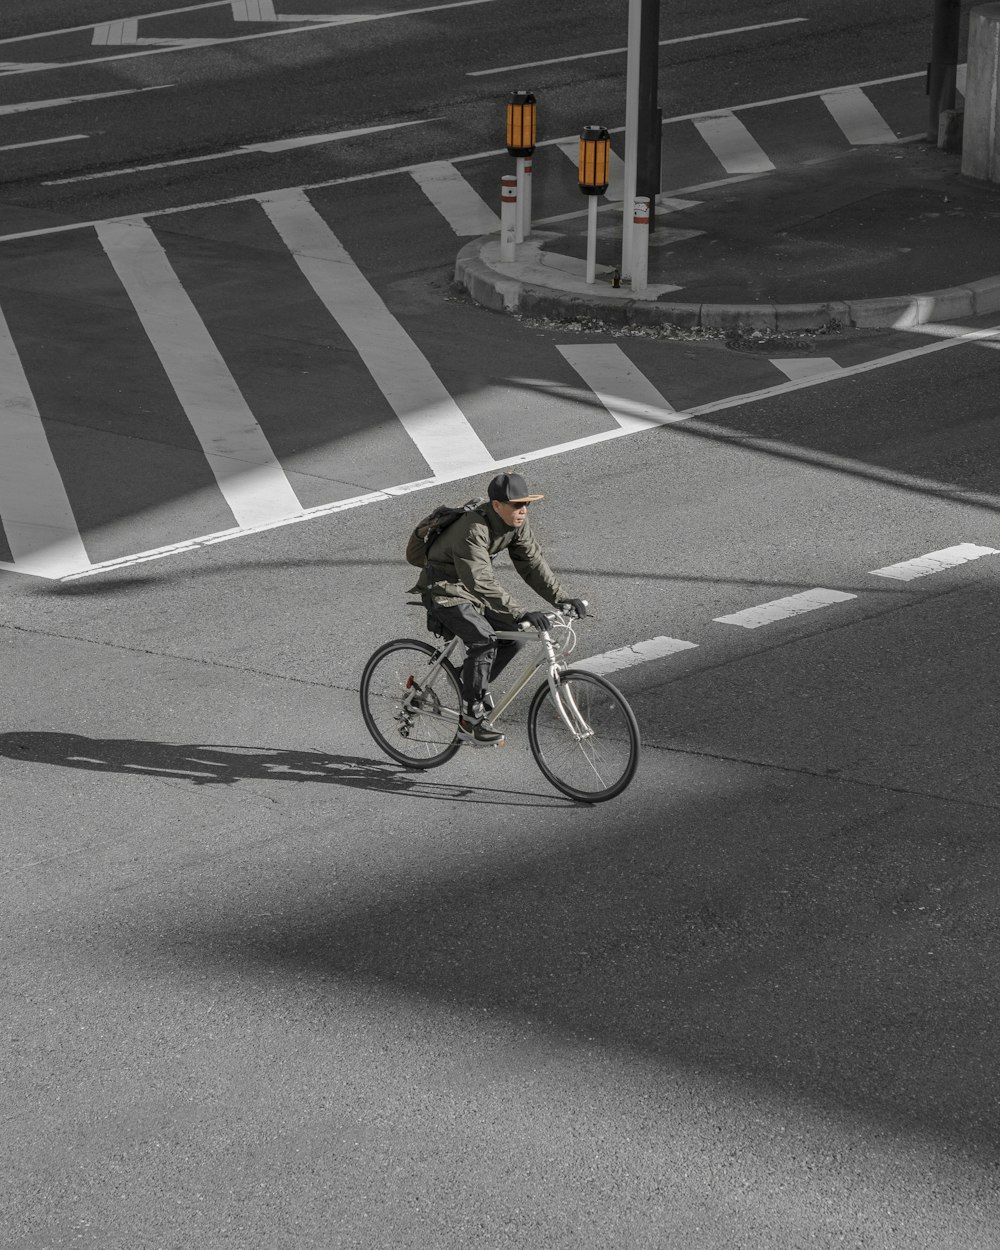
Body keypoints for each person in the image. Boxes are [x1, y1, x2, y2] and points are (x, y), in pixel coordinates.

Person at [414, 471, 587, 746]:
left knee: (515, 634)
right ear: (497, 506)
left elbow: (532, 564)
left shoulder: (517, 524)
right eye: (517, 505)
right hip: (444, 590)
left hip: (471, 589)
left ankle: (465, 683)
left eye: (527, 504)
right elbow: (480, 579)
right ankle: (471, 720)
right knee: (484, 640)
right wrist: (520, 611)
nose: (524, 510)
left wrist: (561, 598)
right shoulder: (473, 529)